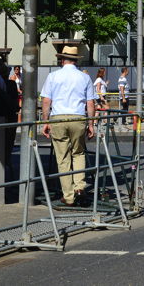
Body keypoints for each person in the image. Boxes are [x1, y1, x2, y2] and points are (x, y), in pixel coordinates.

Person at [40, 45, 96, 207]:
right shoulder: (84, 77)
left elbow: (46, 101)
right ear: (76, 60)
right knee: (78, 153)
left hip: (58, 118)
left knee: (63, 158)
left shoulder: (53, 76)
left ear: (62, 59)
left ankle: (69, 196)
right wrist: (91, 124)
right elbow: (90, 102)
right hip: (78, 117)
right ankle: (80, 187)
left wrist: (45, 121)